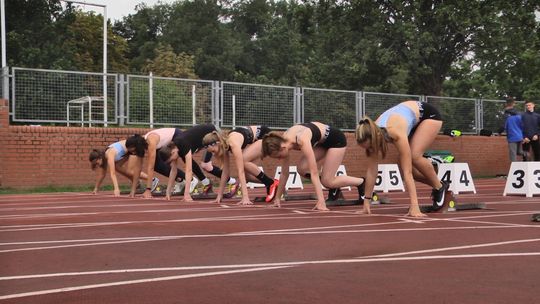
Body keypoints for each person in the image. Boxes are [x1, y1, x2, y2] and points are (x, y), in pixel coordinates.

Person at [355, 100, 447, 217]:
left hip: (428, 115)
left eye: (371, 146)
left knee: (414, 156)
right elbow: (372, 172)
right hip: (410, 119)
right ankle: (440, 184)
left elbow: (406, 172)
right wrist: (366, 204)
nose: (372, 149)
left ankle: (438, 187)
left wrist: (414, 207)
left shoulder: (395, 132)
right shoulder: (372, 133)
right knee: (405, 164)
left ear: (377, 137)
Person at [261, 122, 365, 211]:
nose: (279, 159)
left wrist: (321, 201)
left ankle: (362, 183)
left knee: (327, 181)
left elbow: (314, 171)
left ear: (282, 148)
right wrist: (277, 199)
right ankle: (334, 188)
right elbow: (284, 173)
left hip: (336, 140)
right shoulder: (283, 141)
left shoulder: (301, 139)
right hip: (321, 143)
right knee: (301, 169)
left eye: (279, 156)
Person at [202, 126, 279, 205]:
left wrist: (245, 197)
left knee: (243, 161)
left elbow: (240, 170)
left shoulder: (233, 143)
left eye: (213, 151)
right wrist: (219, 196)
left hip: (265, 136)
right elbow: (225, 172)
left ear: (217, 143)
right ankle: (272, 183)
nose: (214, 154)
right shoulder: (224, 145)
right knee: (247, 176)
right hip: (256, 139)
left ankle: (271, 184)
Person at [158, 124, 237, 202]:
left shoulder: (183, 144)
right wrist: (168, 193)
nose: (173, 161)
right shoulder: (174, 148)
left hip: (213, 134)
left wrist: (186, 194)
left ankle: (233, 182)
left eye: (171, 159)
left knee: (206, 165)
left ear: (173, 152)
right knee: (205, 165)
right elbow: (173, 171)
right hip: (203, 139)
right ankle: (207, 184)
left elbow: (189, 171)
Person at [89, 134, 158, 197]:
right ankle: (136, 182)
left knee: (131, 170)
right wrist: (96, 188)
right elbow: (101, 175)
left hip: (132, 149)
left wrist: (116, 189)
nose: (97, 165)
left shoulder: (109, 154)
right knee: (117, 167)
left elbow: (112, 173)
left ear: (99, 157)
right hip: (126, 153)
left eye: (96, 163)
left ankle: (152, 179)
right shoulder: (104, 159)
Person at [131, 128, 187, 199]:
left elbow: (150, 167)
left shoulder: (151, 142)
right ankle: (181, 180)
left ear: (137, 146)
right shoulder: (142, 144)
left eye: (133, 151)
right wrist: (133, 191)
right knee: (157, 166)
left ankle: (190, 179)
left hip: (177, 135)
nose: (133, 153)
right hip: (162, 143)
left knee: (169, 163)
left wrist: (148, 190)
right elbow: (137, 168)